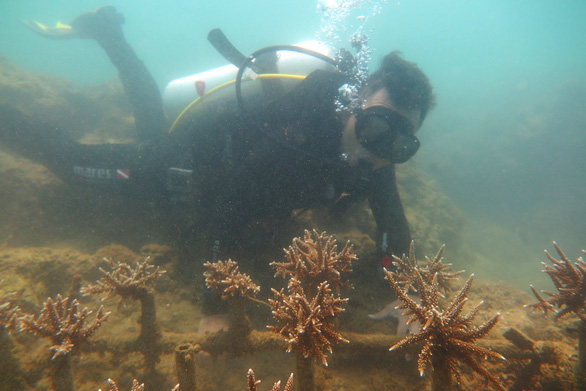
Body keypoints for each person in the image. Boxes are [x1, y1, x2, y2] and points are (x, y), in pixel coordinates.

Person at [12, 7, 435, 286]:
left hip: (202, 168)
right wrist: (214, 297)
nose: (380, 150)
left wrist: (401, 293)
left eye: (401, 143)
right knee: (70, 164)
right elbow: (233, 196)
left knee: (151, 123)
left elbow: (393, 230)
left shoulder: (375, 156)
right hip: (178, 170)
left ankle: (108, 33)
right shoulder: (299, 125)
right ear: (357, 104)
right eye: (378, 127)